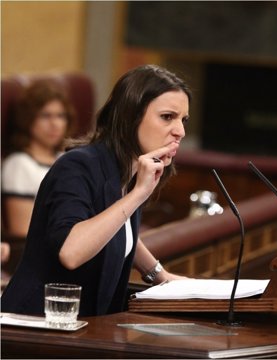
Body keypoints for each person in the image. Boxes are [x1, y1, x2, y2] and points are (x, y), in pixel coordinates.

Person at [1, 65, 189, 316]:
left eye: (183, 120)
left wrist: (158, 274)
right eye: (167, 117)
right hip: (35, 326)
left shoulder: (125, 168)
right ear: (130, 115)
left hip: (82, 325)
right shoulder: (77, 166)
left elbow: (117, 228)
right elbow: (71, 252)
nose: (180, 131)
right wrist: (137, 195)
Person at [2, 80, 75, 237]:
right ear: (28, 119)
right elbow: (23, 232)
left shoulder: (66, 158)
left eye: (60, 116)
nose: (55, 124)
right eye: (45, 116)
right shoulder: (19, 165)